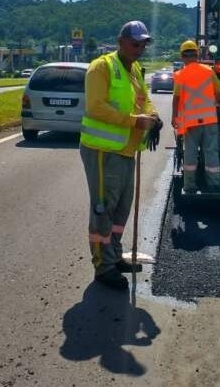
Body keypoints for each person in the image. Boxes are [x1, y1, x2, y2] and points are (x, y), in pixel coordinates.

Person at [79, 21, 161, 289]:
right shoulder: (101, 67)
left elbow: (143, 100)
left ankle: (114, 257)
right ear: (121, 41)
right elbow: (95, 107)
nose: (140, 49)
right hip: (103, 151)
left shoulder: (135, 69)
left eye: (144, 44)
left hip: (126, 150)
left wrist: (154, 117)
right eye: (136, 43)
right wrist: (133, 121)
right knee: (104, 208)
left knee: (121, 209)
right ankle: (103, 267)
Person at [171, 40, 220, 194]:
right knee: (211, 152)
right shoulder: (208, 71)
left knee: (190, 153)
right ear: (197, 55)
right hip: (209, 121)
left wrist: (174, 117)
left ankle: (190, 186)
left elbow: (176, 98)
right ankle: (214, 185)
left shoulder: (180, 75)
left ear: (182, 56)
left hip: (190, 123)